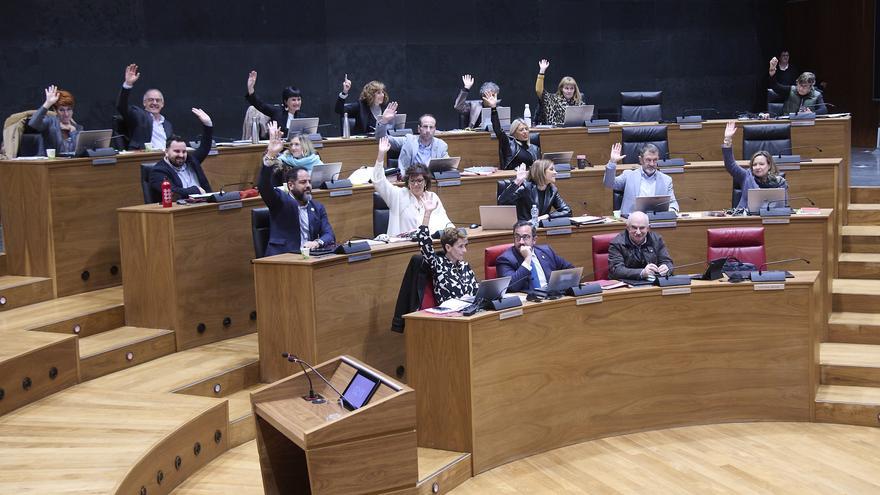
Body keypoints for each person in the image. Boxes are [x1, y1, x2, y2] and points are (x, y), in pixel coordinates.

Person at [259, 121, 336, 257]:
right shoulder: (279, 201)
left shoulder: (317, 207)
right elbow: (264, 186)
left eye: (309, 182)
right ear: (290, 185)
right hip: (283, 257)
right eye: (303, 182)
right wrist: (270, 154)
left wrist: (317, 242)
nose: (308, 186)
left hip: (309, 256)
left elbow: (329, 234)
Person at [372, 137, 452, 236]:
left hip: (427, 244)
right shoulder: (397, 195)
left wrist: (454, 233)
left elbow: (445, 223)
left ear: (426, 182)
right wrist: (381, 155)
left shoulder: (432, 197)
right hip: (402, 246)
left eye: (419, 180)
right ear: (408, 182)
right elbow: (378, 181)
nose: (415, 184)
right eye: (412, 181)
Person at [416, 197, 478, 305]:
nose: (465, 250)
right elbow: (424, 241)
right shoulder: (438, 264)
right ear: (448, 247)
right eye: (460, 246)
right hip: (448, 314)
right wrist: (427, 213)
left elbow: (476, 293)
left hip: (469, 311)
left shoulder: (465, 266)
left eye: (465, 246)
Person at [148, 108, 214, 200]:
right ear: (166, 152)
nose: (181, 155)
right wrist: (195, 190)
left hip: (205, 205)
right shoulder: (158, 171)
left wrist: (208, 124)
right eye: (177, 151)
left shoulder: (191, 161)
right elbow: (173, 192)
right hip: (181, 209)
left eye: (184, 151)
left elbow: (204, 147)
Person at [722, 122, 788, 210]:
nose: (757, 167)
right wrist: (727, 139)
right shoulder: (746, 176)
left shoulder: (780, 182)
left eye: (761, 164)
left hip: (771, 218)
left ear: (769, 165)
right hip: (746, 219)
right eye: (754, 165)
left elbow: (784, 205)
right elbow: (730, 165)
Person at [495, 220, 574, 292]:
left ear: (534, 240)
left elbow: (571, 270)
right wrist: (527, 259)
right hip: (530, 302)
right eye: (517, 237)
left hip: (551, 296)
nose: (521, 242)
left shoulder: (546, 251)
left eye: (525, 237)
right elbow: (512, 286)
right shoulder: (505, 259)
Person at [603, 142, 679, 217]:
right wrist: (612, 162)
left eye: (655, 160)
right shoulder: (629, 175)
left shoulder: (666, 180)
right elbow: (609, 183)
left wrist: (671, 211)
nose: (652, 164)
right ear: (641, 160)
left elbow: (673, 203)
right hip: (630, 221)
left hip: (655, 220)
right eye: (648, 160)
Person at [375, 102, 449, 174]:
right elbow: (382, 139)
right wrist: (384, 121)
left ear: (435, 129)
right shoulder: (408, 140)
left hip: (431, 181)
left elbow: (448, 166)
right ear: (419, 129)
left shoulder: (441, 145)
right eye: (425, 127)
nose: (428, 131)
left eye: (431, 127)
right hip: (410, 181)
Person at [117, 63, 173, 150]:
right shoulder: (138, 116)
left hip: (164, 160)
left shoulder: (167, 125)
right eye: (150, 100)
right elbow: (121, 106)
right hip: (143, 159)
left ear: (162, 104)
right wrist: (128, 84)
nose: (154, 103)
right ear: (144, 103)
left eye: (158, 100)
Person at [607, 211, 674, 281]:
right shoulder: (617, 243)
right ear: (627, 227)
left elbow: (668, 262)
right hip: (626, 285)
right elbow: (616, 270)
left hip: (652, 283)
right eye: (634, 228)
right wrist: (642, 272)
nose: (638, 232)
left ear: (648, 228)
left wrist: (666, 268)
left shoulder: (657, 240)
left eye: (642, 228)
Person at [498, 160, 572, 222]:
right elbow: (502, 202)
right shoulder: (525, 187)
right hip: (524, 228)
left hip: (540, 228)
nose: (555, 172)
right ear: (541, 172)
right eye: (551, 169)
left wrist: (546, 216)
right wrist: (517, 182)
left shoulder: (552, 190)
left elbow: (567, 211)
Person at [484, 93, 538, 170]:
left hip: (531, 177)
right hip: (513, 177)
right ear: (514, 132)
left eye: (526, 129)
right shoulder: (509, 144)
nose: (525, 131)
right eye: (521, 130)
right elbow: (498, 130)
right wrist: (493, 108)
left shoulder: (534, 148)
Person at [245, 70, 308, 136]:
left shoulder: (302, 117)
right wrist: (250, 88)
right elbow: (260, 105)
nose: (297, 102)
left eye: (299, 99)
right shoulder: (277, 111)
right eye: (293, 100)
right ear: (286, 101)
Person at [28, 85, 82, 154]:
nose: (66, 114)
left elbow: (78, 153)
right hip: (49, 163)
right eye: (61, 110)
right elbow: (33, 123)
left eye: (69, 109)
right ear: (55, 110)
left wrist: (73, 132)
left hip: (70, 163)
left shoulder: (77, 128)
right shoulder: (50, 123)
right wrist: (48, 103)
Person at [535, 59, 585, 126]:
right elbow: (539, 91)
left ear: (575, 90)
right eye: (566, 88)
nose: (569, 91)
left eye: (572, 88)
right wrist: (542, 71)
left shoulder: (580, 103)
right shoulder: (553, 100)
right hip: (557, 133)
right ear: (561, 89)